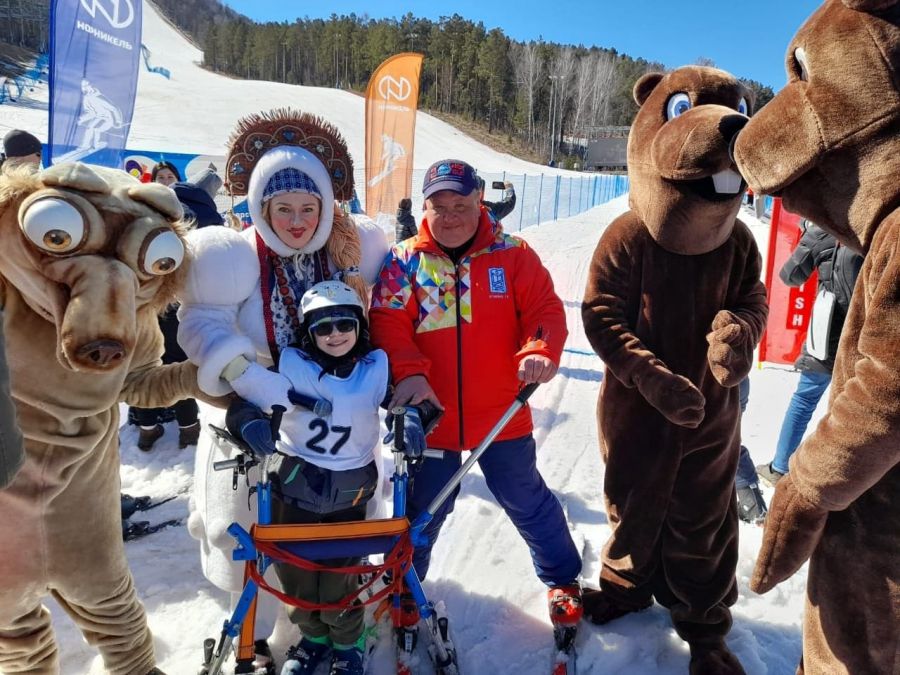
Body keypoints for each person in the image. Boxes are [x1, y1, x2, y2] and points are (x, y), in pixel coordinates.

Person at [177, 109, 388, 673]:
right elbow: (202, 327)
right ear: (260, 208)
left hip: (332, 432)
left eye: (307, 208)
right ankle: (255, 638)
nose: (296, 221)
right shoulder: (233, 254)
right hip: (248, 423)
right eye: (283, 208)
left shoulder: (348, 250)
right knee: (246, 535)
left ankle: (328, 634)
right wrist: (254, 381)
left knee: (328, 543)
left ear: (325, 208)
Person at [370, 159, 583, 632]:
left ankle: (563, 578)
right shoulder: (404, 261)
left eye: (460, 205)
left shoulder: (513, 253)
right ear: (424, 206)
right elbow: (387, 325)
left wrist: (541, 348)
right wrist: (408, 377)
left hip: (503, 413)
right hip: (431, 417)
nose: (449, 217)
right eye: (438, 206)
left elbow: (544, 310)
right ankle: (405, 586)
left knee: (525, 498)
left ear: (479, 201)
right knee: (422, 510)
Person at [226, 281, 398, 675]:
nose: (335, 334)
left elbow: (406, 397)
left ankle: (347, 642)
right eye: (323, 328)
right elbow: (245, 399)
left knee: (338, 576)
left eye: (344, 324)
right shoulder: (290, 367)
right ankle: (315, 637)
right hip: (295, 486)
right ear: (309, 332)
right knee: (296, 573)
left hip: (349, 492)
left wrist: (414, 416)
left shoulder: (374, 369)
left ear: (359, 326)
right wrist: (248, 422)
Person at [756, 221, 863, 486]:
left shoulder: (823, 229)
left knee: (804, 399)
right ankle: (845, 477)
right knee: (854, 407)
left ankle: (780, 466)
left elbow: (790, 275)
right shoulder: (875, 229)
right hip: (864, 336)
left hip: (826, 334)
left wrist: (809, 237)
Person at [128, 178, 224, 451]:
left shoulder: (155, 218)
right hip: (187, 306)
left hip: (149, 305)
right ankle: (189, 429)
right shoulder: (209, 220)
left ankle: (147, 430)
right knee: (179, 369)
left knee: (145, 370)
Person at [734, 376, 767, 524]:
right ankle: (752, 501)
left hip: (710, 382)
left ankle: (751, 502)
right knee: (728, 442)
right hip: (735, 377)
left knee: (723, 443)